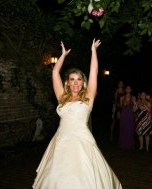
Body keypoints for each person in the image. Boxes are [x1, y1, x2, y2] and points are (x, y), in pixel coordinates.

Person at [32, 39, 122, 189]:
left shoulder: (88, 97)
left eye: (79, 79)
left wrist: (93, 51)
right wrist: (62, 56)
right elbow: (55, 72)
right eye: (72, 79)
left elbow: (93, 71)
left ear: (83, 83)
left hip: (82, 141)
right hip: (61, 141)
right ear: (67, 82)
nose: (75, 82)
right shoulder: (62, 97)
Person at [118, 85, 136, 151]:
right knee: (124, 128)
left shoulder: (133, 97)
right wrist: (123, 105)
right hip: (124, 114)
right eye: (127, 88)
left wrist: (134, 104)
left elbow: (135, 107)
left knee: (130, 128)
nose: (128, 89)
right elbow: (120, 107)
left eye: (129, 88)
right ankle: (123, 145)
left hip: (130, 114)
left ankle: (130, 145)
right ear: (125, 90)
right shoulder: (122, 98)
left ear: (131, 90)